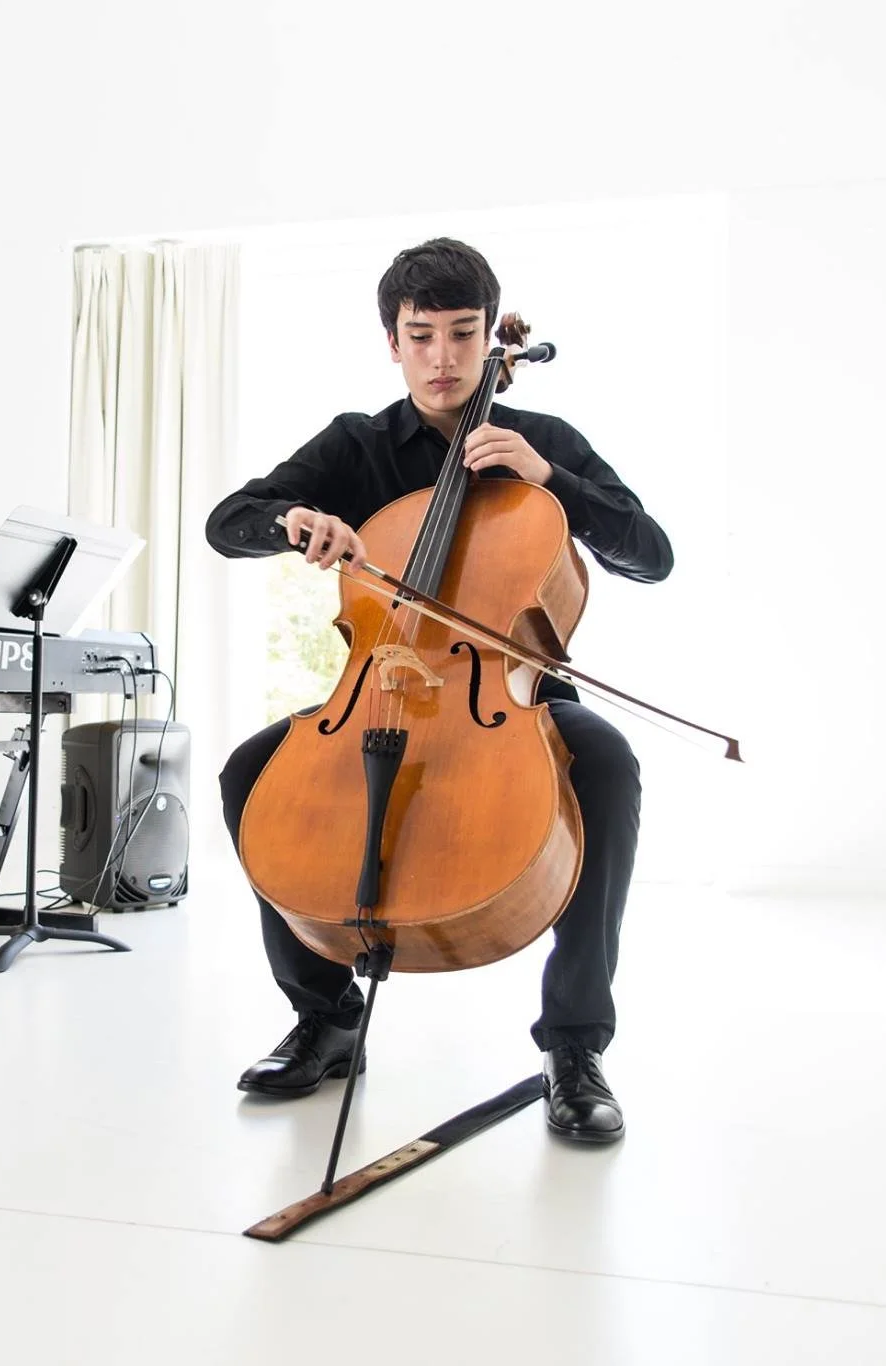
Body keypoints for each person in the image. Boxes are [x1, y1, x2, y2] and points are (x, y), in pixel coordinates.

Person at [204, 239, 674, 1143]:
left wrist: (550, 479)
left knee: (607, 764)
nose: (444, 357)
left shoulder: (543, 443)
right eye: (422, 336)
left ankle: (575, 1045)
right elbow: (230, 523)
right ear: (393, 341)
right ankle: (327, 1017)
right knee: (248, 773)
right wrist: (289, 519)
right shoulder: (357, 444)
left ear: (490, 336)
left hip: (511, 696)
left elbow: (651, 555)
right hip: (376, 687)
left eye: (463, 334)